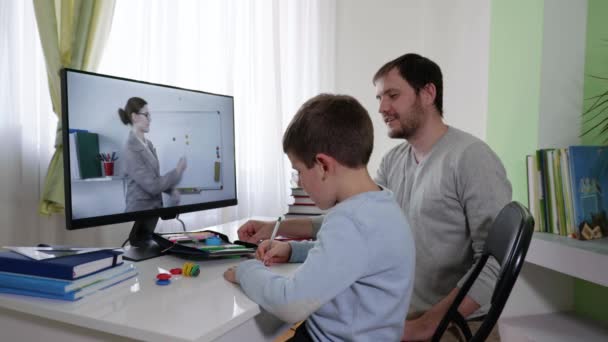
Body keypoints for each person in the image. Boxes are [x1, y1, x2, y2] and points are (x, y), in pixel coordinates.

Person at [237, 53, 512, 341]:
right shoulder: (394, 161)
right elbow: (357, 233)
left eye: (392, 95)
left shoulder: (472, 158)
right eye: (379, 97)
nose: (382, 107)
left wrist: (429, 324)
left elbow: (496, 262)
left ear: (428, 93)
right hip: (392, 314)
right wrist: (283, 236)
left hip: (448, 322)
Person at [223, 94, 415, 341]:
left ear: (323, 165)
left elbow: (289, 303)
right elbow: (352, 256)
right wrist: (293, 250)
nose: (300, 182)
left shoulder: (350, 221)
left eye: (298, 171)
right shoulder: (382, 205)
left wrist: (245, 271)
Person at [118, 97, 187, 212]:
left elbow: (153, 178)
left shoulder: (148, 144)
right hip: (138, 214)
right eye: (146, 115)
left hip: (153, 210)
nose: (150, 119)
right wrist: (177, 171)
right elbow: (153, 186)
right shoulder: (130, 149)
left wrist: (170, 190)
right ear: (134, 117)